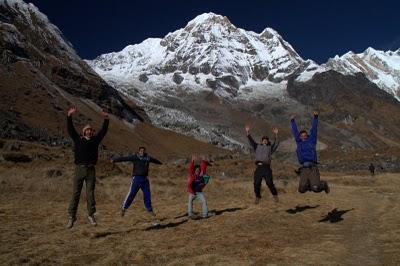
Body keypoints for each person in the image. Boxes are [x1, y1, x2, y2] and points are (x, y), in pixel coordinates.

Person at [66, 106, 109, 228]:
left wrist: (106, 119)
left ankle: (91, 215)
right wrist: (69, 116)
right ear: (84, 132)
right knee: (76, 193)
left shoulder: (95, 140)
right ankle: (71, 217)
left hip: (91, 170)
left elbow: (103, 131)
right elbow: (70, 130)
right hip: (79, 169)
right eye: (87, 130)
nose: (89, 131)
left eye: (91, 130)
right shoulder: (78, 139)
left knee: (90, 193)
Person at [110, 147, 162, 224]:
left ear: (145, 151)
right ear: (138, 151)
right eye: (141, 151)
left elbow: (154, 160)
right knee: (131, 194)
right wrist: (114, 160)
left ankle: (150, 210)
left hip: (145, 180)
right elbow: (125, 158)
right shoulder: (135, 157)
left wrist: (160, 163)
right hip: (137, 179)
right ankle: (124, 208)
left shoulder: (147, 158)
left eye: (143, 151)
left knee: (147, 195)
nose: (142, 152)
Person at [291, 111, 330, 194]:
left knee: (316, 188)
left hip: (312, 168)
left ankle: (323, 184)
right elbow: (295, 131)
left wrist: (315, 118)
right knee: (301, 190)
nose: (303, 137)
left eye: (305, 135)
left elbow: (314, 129)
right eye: (301, 136)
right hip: (304, 168)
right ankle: (309, 184)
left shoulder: (312, 140)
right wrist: (292, 121)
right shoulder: (299, 142)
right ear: (300, 137)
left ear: (307, 135)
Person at [245, 125, 280, 204]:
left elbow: (276, 143)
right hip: (259, 168)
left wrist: (276, 134)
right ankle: (257, 196)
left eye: (266, 140)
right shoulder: (257, 146)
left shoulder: (270, 148)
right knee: (256, 183)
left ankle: (275, 195)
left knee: (269, 183)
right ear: (261, 141)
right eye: (263, 140)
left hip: (266, 168)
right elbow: (251, 141)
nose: (265, 141)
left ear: (267, 141)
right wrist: (247, 132)